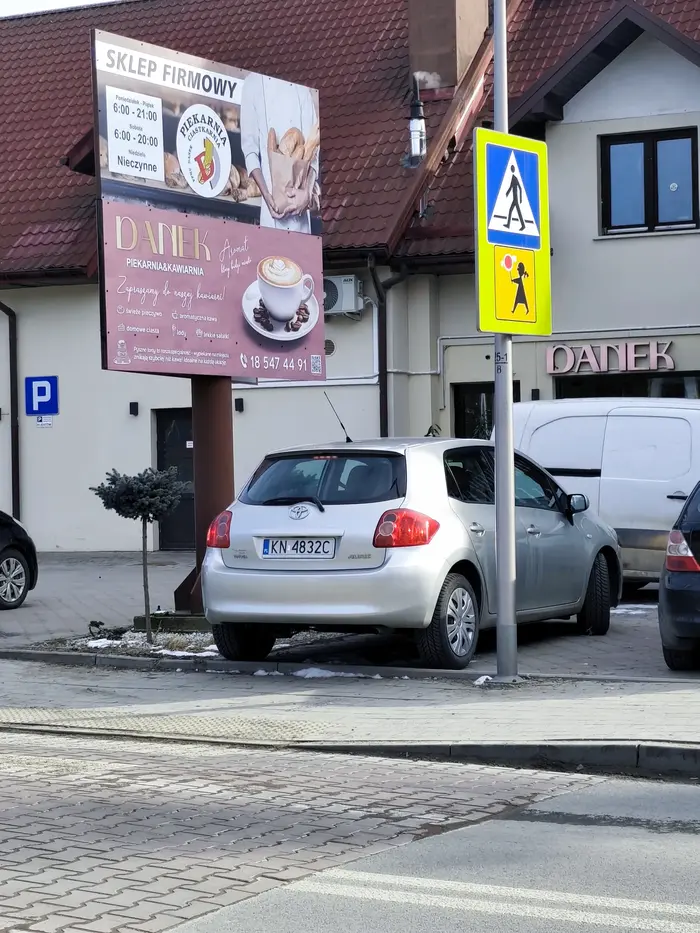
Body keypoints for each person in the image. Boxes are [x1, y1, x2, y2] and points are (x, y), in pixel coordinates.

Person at [240, 73, 319, 233]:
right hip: (271, 207)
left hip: (300, 212)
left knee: (302, 257)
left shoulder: (302, 87)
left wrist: (307, 194)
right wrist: (266, 196)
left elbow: (313, 147)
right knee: (271, 257)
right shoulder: (252, 83)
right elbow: (250, 151)